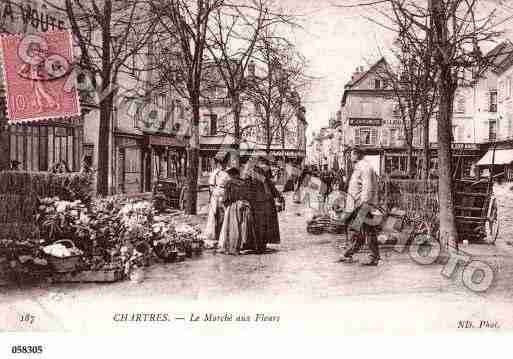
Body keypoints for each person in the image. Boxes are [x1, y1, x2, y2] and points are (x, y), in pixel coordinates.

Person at [338, 147, 380, 266]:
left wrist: (363, 203)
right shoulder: (359, 167)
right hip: (358, 205)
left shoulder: (364, 167)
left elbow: (368, 187)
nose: (349, 157)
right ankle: (349, 253)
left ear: (356, 155)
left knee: (366, 230)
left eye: (350, 155)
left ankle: (373, 257)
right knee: (358, 230)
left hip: (362, 205)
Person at [247, 156, 284, 253]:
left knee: (258, 224)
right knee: (265, 224)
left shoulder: (252, 172)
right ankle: (261, 245)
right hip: (264, 202)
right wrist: (278, 195)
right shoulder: (261, 172)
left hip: (256, 202)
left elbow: (248, 187)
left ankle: (258, 245)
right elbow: (270, 186)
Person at [217, 167, 256, 255]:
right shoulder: (244, 183)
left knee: (233, 227)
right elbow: (249, 195)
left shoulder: (229, 183)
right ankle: (243, 245)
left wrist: (224, 204)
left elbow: (226, 198)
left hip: (234, 206)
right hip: (245, 205)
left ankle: (233, 247)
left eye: (230, 175)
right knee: (243, 227)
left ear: (232, 175)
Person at [202, 152, 230, 244]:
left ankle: (223, 235)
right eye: (221, 163)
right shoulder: (215, 173)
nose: (222, 165)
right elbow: (211, 186)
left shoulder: (228, 172)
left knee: (224, 215)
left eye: (224, 163)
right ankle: (213, 235)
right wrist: (212, 196)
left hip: (225, 194)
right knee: (214, 214)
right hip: (216, 194)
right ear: (218, 164)